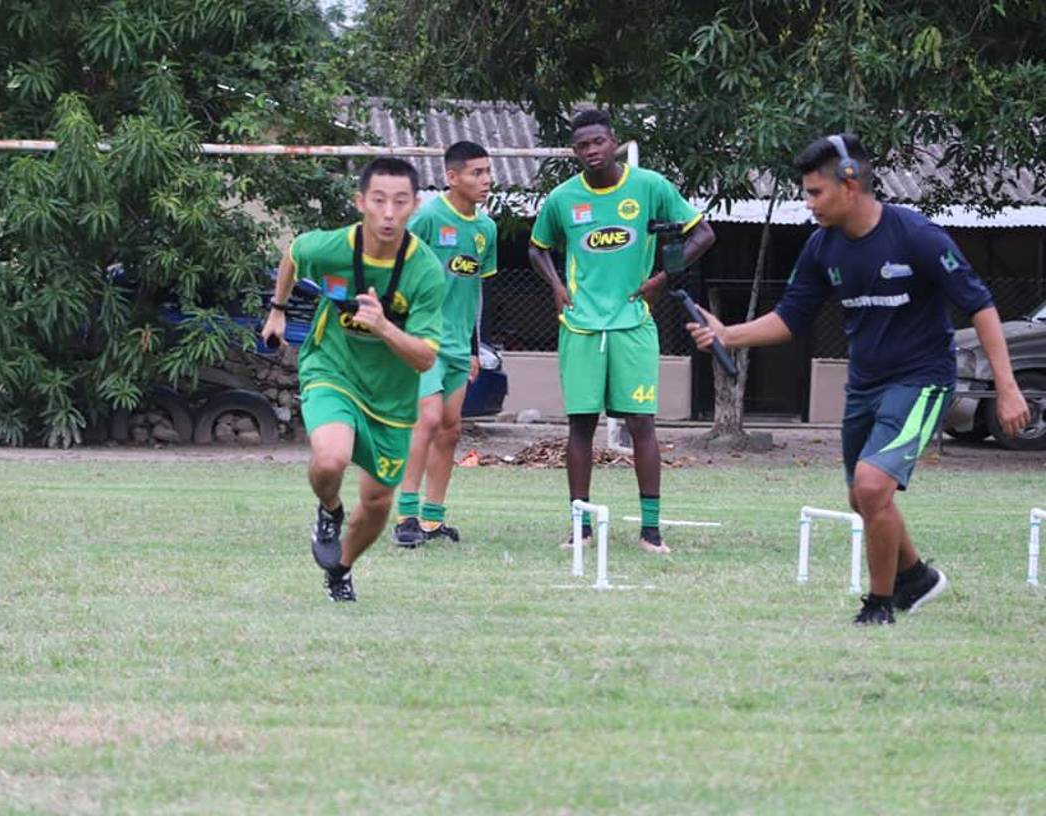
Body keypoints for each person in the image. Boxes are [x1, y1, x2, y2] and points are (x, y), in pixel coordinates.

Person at [687, 133, 1030, 625]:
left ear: (850, 184)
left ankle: (879, 605)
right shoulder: (821, 247)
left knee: (871, 488)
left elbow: (980, 306)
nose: (808, 204)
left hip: (922, 381)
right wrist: (727, 333)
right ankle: (917, 578)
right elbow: (790, 317)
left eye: (814, 193)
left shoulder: (916, 235)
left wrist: (1008, 387)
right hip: (865, 385)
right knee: (862, 495)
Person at [529, 109, 715, 553]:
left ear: (614, 142)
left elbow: (703, 233)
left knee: (641, 424)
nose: (592, 151)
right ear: (574, 152)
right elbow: (537, 248)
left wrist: (663, 277)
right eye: (582, 146)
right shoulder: (562, 199)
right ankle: (580, 528)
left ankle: (651, 531)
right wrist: (556, 285)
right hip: (581, 326)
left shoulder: (649, 186)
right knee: (580, 426)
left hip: (633, 321)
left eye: (598, 142)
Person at [262, 157, 445, 602]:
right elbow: (293, 254)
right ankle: (329, 509)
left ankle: (340, 568)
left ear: (415, 206)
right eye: (378, 200)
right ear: (360, 201)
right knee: (330, 459)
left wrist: (384, 327)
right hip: (332, 367)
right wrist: (278, 310)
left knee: (380, 501)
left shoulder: (425, 272)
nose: (388, 212)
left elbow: (424, 359)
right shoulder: (332, 247)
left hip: (392, 398)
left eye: (400, 202)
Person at [392, 141, 498, 547]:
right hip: (422, 340)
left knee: (450, 431)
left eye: (488, 172)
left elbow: (477, 294)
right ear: (452, 177)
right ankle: (406, 516)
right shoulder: (429, 216)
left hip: (457, 346)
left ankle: (433, 521)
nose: (486, 180)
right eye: (477, 172)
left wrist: (475, 348)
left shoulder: (485, 228)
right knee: (427, 419)